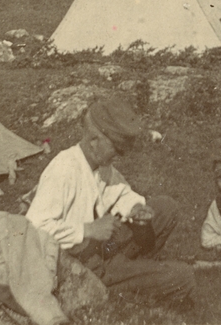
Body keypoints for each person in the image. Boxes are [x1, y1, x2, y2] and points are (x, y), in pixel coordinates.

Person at [25, 96, 194, 304]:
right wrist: (87, 230)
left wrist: (135, 208)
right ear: (94, 140)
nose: (120, 155)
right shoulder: (64, 169)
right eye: (116, 148)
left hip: (102, 249)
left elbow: (120, 191)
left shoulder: (101, 165)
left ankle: (135, 273)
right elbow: (33, 230)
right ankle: (123, 286)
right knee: (183, 277)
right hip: (81, 267)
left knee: (166, 208)